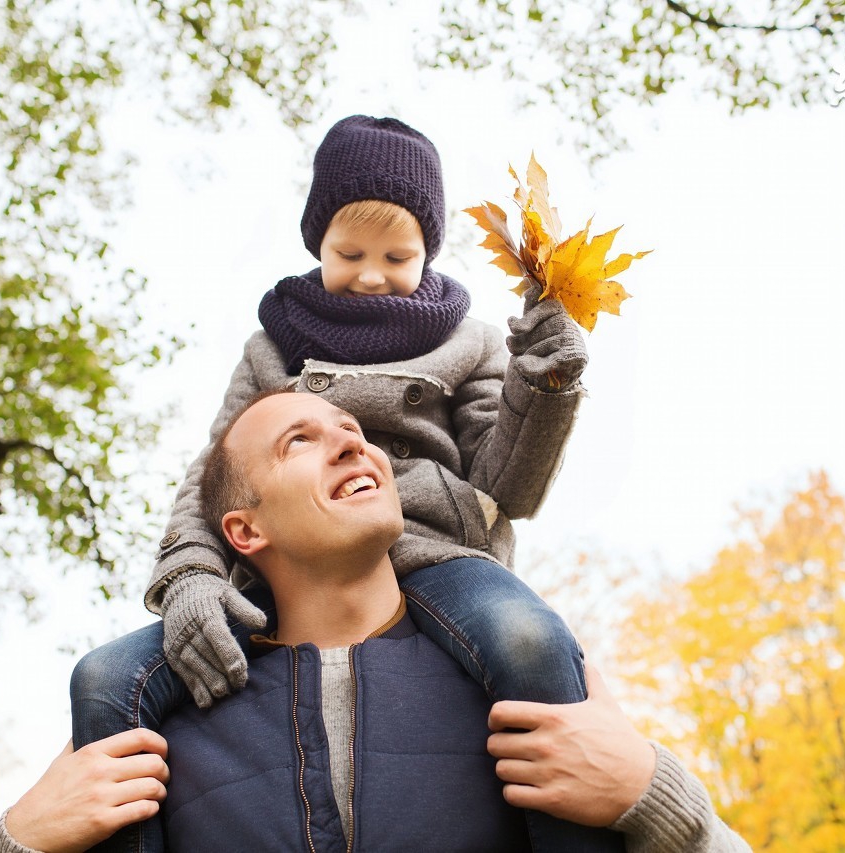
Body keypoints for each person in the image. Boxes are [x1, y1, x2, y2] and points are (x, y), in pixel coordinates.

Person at [72, 114, 596, 851]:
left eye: (398, 254)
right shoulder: (275, 345)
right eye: (349, 252)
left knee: (530, 637)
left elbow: (509, 482)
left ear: (429, 253)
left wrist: (544, 385)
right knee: (104, 677)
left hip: (439, 554)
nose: (373, 273)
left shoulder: (467, 340)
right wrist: (191, 574)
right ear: (317, 240)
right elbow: (215, 476)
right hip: (290, 558)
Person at [0, 392, 750, 852]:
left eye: (351, 428)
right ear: (244, 530)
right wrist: (20, 844)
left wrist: (657, 800)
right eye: (301, 440)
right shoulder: (156, 734)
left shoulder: (529, 691)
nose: (353, 441)